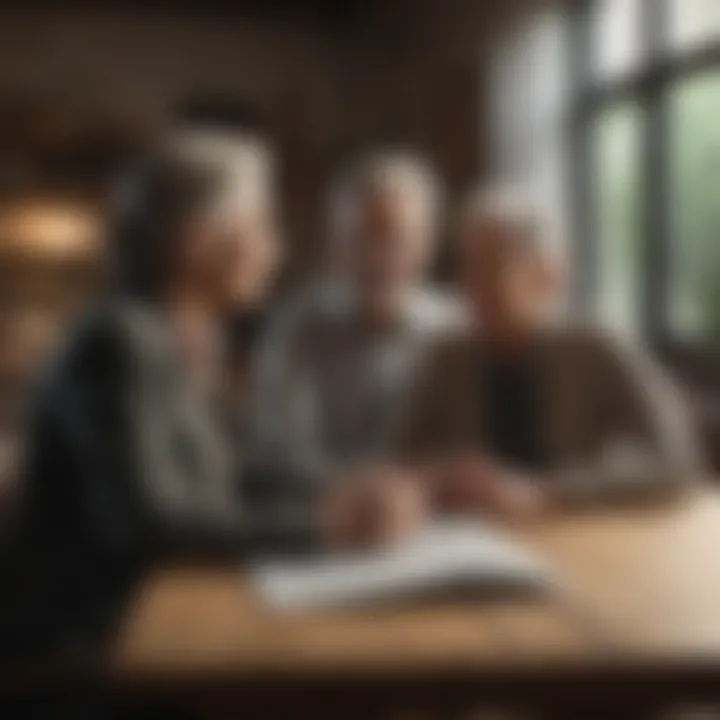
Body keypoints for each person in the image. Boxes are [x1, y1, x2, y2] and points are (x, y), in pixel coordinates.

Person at [2, 131, 418, 661]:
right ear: (196, 240)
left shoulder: (182, 334)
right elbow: (153, 527)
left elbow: (230, 478)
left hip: (150, 626)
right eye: (262, 225)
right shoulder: (120, 344)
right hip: (85, 657)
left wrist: (340, 489)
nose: (276, 248)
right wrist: (328, 523)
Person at [403, 187, 701, 519]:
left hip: (578, 532)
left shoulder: (596, 348)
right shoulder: (448, 358)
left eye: (492, 265)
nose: (473, 285)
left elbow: (676, 462)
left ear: (547, 274)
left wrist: (546, 492)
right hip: (472, 540)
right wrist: (438, 478)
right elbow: (402, 461)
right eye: (468, 266)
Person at [251, 151, 465, 495]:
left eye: (395, 236)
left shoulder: (456, 329)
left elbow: (466, 450)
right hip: (328, 515)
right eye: (362, 235)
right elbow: (283, 452)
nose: (378, 256)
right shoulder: (297, 328)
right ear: (336, 242)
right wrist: (365, 491)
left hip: (435, 515)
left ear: (427, 243)